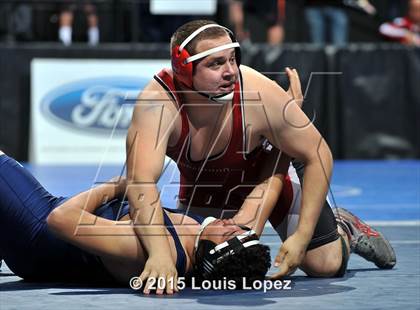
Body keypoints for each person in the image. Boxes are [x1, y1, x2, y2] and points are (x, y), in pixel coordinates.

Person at [125, 19, 396, 294]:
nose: (230, 71)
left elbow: (319, 154)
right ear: (183, 70)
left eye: (232, 59)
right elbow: (140, 183)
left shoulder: (256, 91)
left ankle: (345, 228)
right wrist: (158, 254)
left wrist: (302, 236)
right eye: (216, 64)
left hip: (268, 177)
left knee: (323, 264)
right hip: (204, 189)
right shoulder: (157, 104)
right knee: (207, 266)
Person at [0, 150, 271, 294]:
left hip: (35, 233)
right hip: (50, 214)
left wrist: (120, 185)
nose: (229, 224)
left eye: (228, 234)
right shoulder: (215, 238)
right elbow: (267, 187)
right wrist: (280, 132)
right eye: (239, 228)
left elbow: (59, 219)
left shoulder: (151, 251)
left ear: (211, 254)